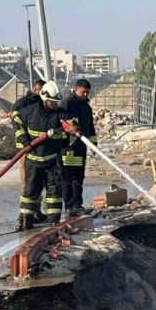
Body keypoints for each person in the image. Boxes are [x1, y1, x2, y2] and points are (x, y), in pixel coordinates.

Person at [13, 81, 78, 230]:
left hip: (52, 160)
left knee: (54, 192)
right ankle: (25, 221)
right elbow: (15, 119)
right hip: (33, 159)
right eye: (52, 102)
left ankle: (54, 222)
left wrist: (74, 127)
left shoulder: (59, 114)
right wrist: (24, 140)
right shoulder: (30, 111)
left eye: (56, 102)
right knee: (30, 191)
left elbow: (70, 120)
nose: (54, 105)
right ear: (44, 98)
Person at [10, 79, 47, 223]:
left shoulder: (40, 103)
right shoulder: (22, 104)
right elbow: (17, 125)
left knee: (39, 180)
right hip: (26, 149)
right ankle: (25, 214)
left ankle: (36, 210)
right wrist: (26, 142)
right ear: (36, 90)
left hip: (39, 148)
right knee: (27, 180)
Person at [60, 79, 97, 216]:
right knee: (68, 178)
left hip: (81, 147)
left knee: (79, 177)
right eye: (83, 92)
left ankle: (77, 205)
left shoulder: (86, 107)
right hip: (69, 146)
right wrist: (73, 130)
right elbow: (64, 122)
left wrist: (93, 144)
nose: (85, 95)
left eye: (87, 92)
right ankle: (69, 206)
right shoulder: (68, 103)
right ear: (76, 89)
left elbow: (90, 127)